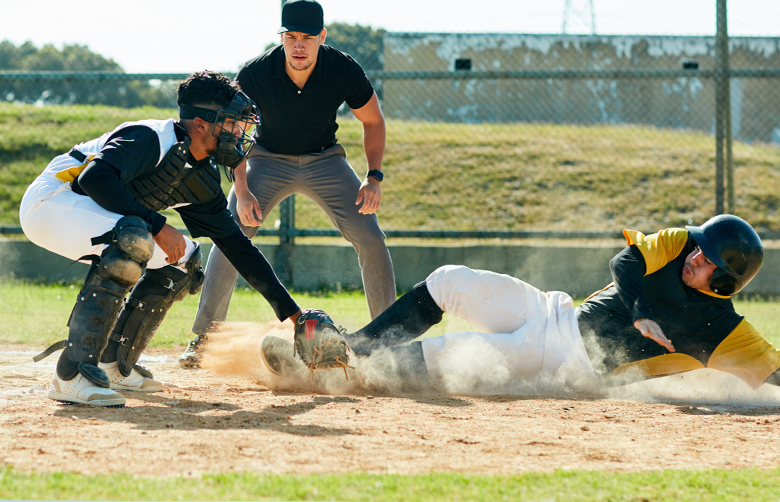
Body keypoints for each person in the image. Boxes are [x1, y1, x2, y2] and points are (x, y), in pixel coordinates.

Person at [21, 70, 309, 407]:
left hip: (98, 216)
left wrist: (295, 317)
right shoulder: (151, 136)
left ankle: (113, 364)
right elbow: (94, 178)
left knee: (185, 261)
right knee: (134, 237)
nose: (240, 133)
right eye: (232, 123)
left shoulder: (201, 176)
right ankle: (72, 374)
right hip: (51, 203)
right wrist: (157, 224)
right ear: (201, 124)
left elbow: (238, 248)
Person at [261, 215, 780, 394]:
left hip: (568, 365)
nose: (694, 255)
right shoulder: (679, 243)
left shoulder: (723, 330)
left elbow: (774, 373)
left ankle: (335, 370)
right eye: (698, 247)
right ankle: (351, 347)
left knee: (457, 357)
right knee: (449, 280)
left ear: (726, 282)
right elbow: (625, 264)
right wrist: (642, 309)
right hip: (557, 313)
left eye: (708, 260)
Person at [180, 0, 396, 367]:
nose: (299, 45)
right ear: (281, 37)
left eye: (307, 37)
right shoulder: (255, 74)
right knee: (230, 235)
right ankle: (204, 338)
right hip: (265, 159)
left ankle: (390, 340)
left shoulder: (343, 69)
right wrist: (243, 191)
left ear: (321, 37)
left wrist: (373, 178)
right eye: (291, 36)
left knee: (371, 237)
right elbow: (234, 134)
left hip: (324, 158)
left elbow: (373, 121)